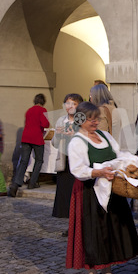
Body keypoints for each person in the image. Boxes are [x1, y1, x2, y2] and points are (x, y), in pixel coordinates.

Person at [65, 101, 138, 274]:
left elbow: (119, 154)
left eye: (96, 119)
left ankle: (107, 272)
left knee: (110, 230)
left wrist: (137, 159)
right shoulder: (77, 141)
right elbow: (77, 169)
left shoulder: (105, 136)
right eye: (90, 119)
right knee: (92, 232)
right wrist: (98, 172)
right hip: (89, 192)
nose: (95, 122)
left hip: (111, 189)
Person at [51, 93, 84, 235]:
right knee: (66, 197)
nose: (69, 106)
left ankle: (80, 227)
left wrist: (74, 136)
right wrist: (58, 135)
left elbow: (87, 139)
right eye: (67, 103)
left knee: (78, 196)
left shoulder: (82, 120)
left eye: (73, 104)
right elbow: (54, 143)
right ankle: (71, 227)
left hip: (78, 162)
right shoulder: (61, 120)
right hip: (64, 162)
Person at [8, 93, 50, 197]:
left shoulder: (29, 110)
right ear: (43, 102)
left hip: (26, 137)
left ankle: (15, 184)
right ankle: (32, 183)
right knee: (39, 160)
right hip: (36, 138)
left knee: (24, 161)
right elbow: (45, 124)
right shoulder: (42, 110)